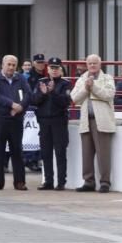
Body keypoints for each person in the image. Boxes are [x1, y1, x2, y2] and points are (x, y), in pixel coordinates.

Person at [71, 54, 116, 193]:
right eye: (89, 63)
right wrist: (86, 88)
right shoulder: (82, 79)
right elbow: (74, 98)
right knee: (87, 153)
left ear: (100, 64)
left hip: (102, 121)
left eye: (94, 63)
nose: (92, 66)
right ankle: (88, 182)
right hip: (86, 120)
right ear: (86, 65)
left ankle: (105, 182)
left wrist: (94, 87)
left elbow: (109, 95)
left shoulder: (107, 78)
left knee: (104, 154)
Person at [0, 55, 32, 191]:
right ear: (3, 65)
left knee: (17, 151)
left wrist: (20, 107)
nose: (11, 67)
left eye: (13, 65)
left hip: (16, 120)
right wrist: (12, 105)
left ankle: (20, 182)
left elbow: (29, 94)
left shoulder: (21, 78)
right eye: (9, 64)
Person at [31, 57, 72, 191]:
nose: (54, 71)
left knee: (60, 152)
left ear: (61, 69)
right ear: (47, 69)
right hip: (44, 121)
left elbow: (65, 102)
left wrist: (53, 92)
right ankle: (48, 181)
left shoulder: (65, 84)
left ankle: (61, 182)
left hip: (58, 121)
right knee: (46, 153)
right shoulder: (41, 82)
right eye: (52, 68)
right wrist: (43, 94)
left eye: (57, 68)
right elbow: (35, 101)